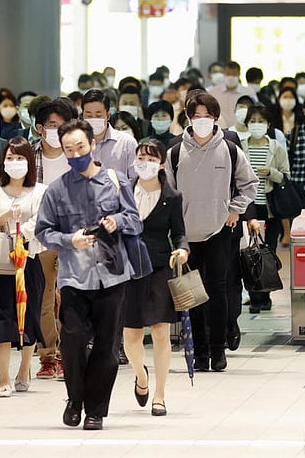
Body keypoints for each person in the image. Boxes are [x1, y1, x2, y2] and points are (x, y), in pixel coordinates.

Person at [35, 119, 143, 430]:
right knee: (73, 341)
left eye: (80, 147)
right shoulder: (56, 191)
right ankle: (75, 399)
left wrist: (117, 222)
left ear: (92, 145)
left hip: (112, 276)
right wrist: (70, 240)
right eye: (69, 150)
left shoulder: (116, 180)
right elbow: (44, 232)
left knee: (107, 347)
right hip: (74, 277)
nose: (75, 154)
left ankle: (96, 410)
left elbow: (135, 221)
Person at [165, 92, 257, 372]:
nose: (201, 121)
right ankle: (199, 351)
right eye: (196, 116)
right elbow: (166, 192)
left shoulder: (229, 149)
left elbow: (249, 184)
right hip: (186, 235)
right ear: (188, 118)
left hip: (219, 231)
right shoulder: (175, 152)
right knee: (191, 294)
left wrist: (235, 209)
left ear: (216, 118)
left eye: (207, 115)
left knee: (218, 291)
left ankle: (218, 350)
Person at [125, 140, 188, 417]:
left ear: (161, 163)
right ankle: (141, 375)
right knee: (131, 335)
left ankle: (160, 395)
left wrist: (183, 249)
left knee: (161, 333)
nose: (145, 163)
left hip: (160, 266)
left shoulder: (172, 196)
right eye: (141, 157)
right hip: (128, 268)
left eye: (151, 158)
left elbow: (180, 232)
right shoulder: (123, 191)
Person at [0, 137, 48, 397]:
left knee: (28, 318)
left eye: (20, 158)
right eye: (10, 158)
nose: (14, 163)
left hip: (28, 261)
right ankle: (3, 378)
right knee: (0, 321)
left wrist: (21, 238)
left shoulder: (40, 191)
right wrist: (7, 216)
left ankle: (24, 368)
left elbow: (42, 220)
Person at [31, 98, 77, 380]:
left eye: (62, 126)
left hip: (74, 235)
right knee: (45, 297)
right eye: (51, 126)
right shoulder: (29, 155)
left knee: (71, 296)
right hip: (42, 234)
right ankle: (48, 355)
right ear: (40, 128)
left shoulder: (78, 155)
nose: (56, 132)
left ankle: (70, 353)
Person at [240, 104, 291, 312]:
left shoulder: (276, 147)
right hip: (247, 207)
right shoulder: (240, 146)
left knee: (266, 252)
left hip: (270, 208)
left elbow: (286, 175)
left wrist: (271, 172)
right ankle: (253, 295)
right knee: (247, 252)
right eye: (253, 121)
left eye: (261, 121)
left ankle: (265, 294)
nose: (257, 125)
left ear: (268, 124)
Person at [82, 89, 137, 177]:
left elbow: (134, 178)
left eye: (98, 115)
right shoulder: (77, 144)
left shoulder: (127, 142)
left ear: (108, 115)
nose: (93, 119)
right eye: (89, 115)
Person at [206, 61, 256, 127]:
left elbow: (255, 112)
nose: (231, 77)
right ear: (224, 74)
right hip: (219, 130)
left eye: (234, 74)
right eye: (228, 74)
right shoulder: (213, 92)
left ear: (239, 74)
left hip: (242, 129)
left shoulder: (249, 92)